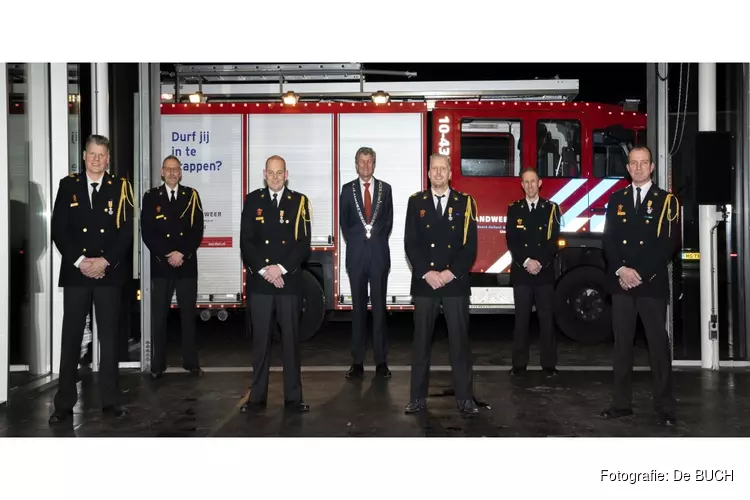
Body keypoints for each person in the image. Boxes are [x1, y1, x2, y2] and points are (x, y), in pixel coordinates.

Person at [48, 134, 135, 424]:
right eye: (92, 154)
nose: (96, 159)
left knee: (109, 340)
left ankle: (110, 401)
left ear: (108, 158)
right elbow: (59, 230)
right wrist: (80, 262)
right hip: (77, 274)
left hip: (108, 275)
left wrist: (104, 262)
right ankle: (63, 405)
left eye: (102, 155)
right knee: (71, 338)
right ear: (84, 155)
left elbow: (125, 233)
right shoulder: (68, 185)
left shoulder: (121, 188)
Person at [600, 145, 680, 426]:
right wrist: (622, 270)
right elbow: (608, 240)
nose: (638, 168)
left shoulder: (666, 201)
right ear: (627, 167)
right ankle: (621, 404)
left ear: (652, 167)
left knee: (658, 346)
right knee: (622, 345)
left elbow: (668, 244)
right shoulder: (616, 199)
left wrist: (640, 273)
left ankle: (665, 406)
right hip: (622, 283)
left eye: (643, 163)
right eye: (633, 163)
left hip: (651, 284)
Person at [403, 153, 479, 415]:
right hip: (426, 284)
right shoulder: (416, 203)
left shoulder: (466, 203)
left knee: (459, 343)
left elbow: (470, 246)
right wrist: (427, 272)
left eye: (442, 169)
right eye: (434, 168)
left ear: (449, 173)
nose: (438, 173)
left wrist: (450, 273)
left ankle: (465, 398)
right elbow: (410, 243)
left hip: (454, 283)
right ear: (428, 173)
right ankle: (417, 398)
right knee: (421, 343)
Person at [239, 155, 312, 412]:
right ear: (264, 173)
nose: (275, 176)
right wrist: (264, 270)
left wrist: (279, 269)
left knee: (291, 343)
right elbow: (246, 241)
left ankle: (294, 398)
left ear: (287, 174)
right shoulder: (253, 200)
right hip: (261, 283)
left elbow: (303, 243)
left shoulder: (299, 202)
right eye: (271, 172)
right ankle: (257, 398)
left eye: (279, 172)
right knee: (260, 343)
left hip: (288, 282)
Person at [141, 155, 205, 380]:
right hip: (162, 264)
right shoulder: (151, 197)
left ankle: (191, 362)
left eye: (175, 169)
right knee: (160, 317)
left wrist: (182, 253)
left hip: (186, 265)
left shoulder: (191, 196)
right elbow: (147, 231)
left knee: (188, 316)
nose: (171, 173)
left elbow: (197, 229)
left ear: (181, 173)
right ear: (161, 172)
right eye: (167, 169)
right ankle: (158, 365)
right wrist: (167, 254)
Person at [339, 147, 394, 379]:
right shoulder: (347, 189)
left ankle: (381, 362)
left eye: (369, 162)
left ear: (374, 164)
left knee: (380, 310)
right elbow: (345, 223)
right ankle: (358, 362)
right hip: (357, 257)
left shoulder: (385, 189)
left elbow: (388, 221)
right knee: (358, 310)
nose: (365, 166)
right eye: (361, 162)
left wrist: (374, 240)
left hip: (379, 256)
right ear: (355, 164)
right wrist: (361, 240)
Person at [505, 167, 561, 377]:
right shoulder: (514, 209)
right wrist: (527, 261)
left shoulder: (551, 208)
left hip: (544, 273)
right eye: (525, 182)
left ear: (539, 183)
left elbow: (553, 239)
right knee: (521, 321)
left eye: (533, 181)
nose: (529, 185)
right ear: (522, 185)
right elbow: (511, 240)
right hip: (522, 273)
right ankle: (519, 364)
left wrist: (540, 262)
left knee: (546, 321)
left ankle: (549, 365)